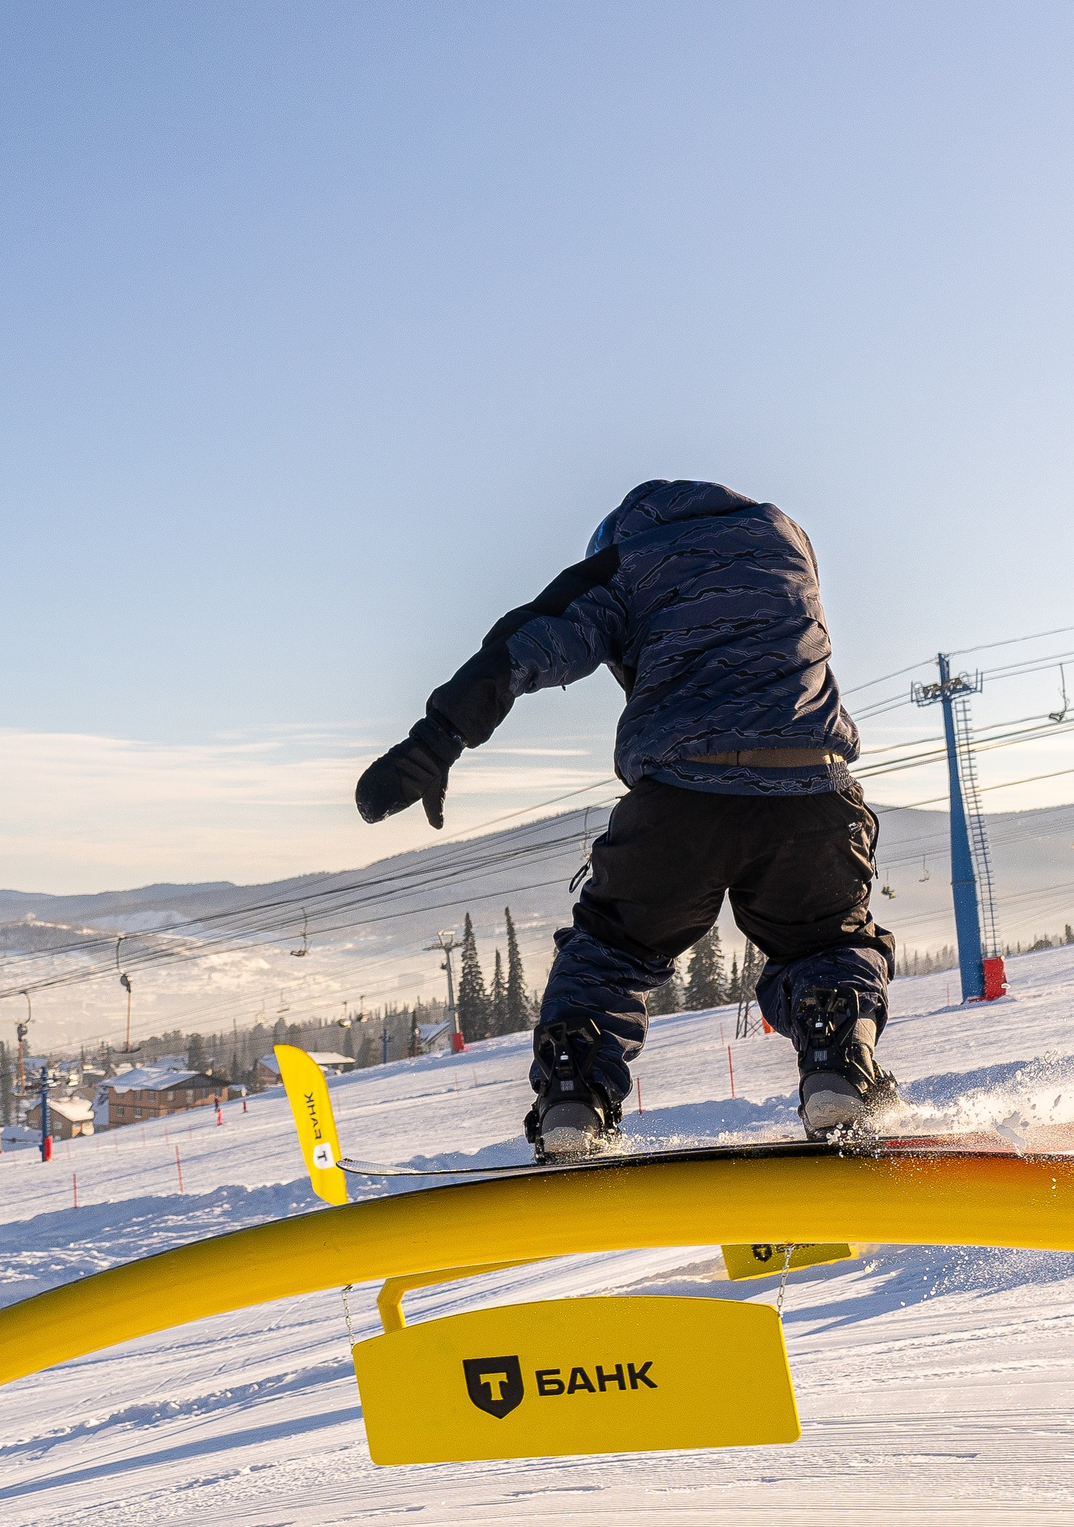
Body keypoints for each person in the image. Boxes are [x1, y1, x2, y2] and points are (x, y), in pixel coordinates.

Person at [357, 480, 895, 1158]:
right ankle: (838, 1056)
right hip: (811, 791)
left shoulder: (626, 560)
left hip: (678, 804)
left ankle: (575, 1095)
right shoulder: (785, 539)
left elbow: (528, 640)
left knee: (610, 953)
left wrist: (438, 737)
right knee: (826, 945)